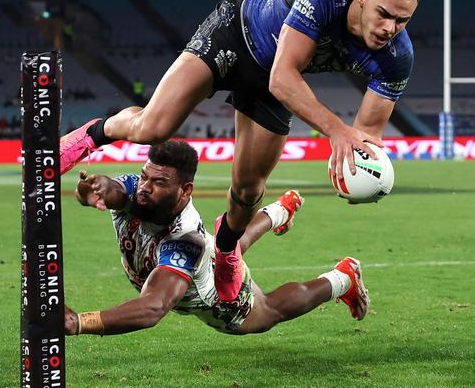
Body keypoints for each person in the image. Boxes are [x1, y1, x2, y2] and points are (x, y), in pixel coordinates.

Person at [60, 0, 418, 302]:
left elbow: (368, 134)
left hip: (272, 78)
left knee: (249, 191)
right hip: (234, 36)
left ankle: (228, 247)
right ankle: (90, 135)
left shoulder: (397, 56)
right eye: (384, 13)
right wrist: (337, 131)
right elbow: (284, 78)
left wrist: (357, 175)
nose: (390, 27)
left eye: (402, 20)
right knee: (154, 127)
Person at [64, 140, 369, 337]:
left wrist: (80, 322)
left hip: (218, 297)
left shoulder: (185, 242)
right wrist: (91, 188)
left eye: (158, 182)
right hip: (205, 253)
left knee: (268, 312)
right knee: (229, 245)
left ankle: (342, 278)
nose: (145, 187)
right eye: (145, 175)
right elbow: (112, 192)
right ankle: (279, 211)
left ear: (185, 191)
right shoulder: (137, 191)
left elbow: (153, 307)